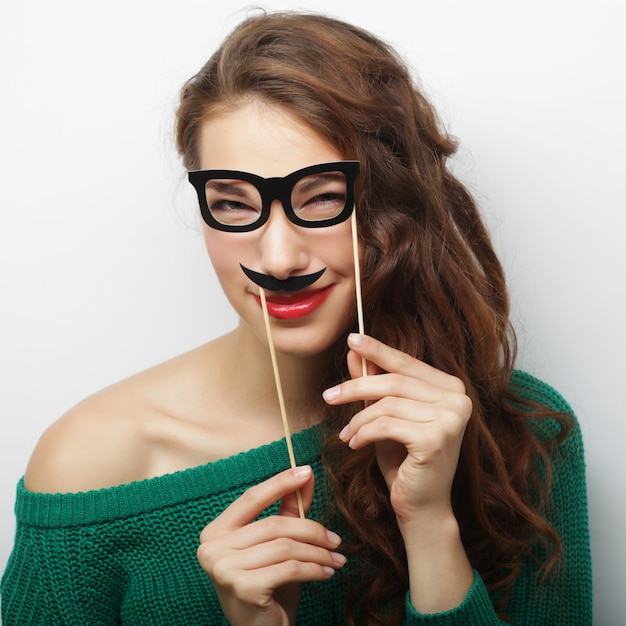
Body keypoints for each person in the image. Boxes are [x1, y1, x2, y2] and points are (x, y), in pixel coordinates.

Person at [0, 11, 592, 626]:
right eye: (233, 203)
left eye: (323, 198)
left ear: (397, 205)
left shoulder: (525, 435)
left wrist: (431, 528)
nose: (278, 259)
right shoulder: (89, 465)